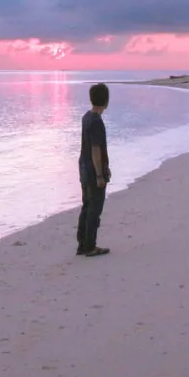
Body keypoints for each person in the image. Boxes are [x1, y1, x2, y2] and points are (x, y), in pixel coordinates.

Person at [76, 82, 111, 257]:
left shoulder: (86, 117)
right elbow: (96, 150)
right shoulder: (96, 121)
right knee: (94, 210)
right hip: (92, 170)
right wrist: (100, 174)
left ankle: (82, 243)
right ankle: (90, 246)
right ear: (106, 101)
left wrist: (105, 168)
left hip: (83, 167)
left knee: (87, 206)